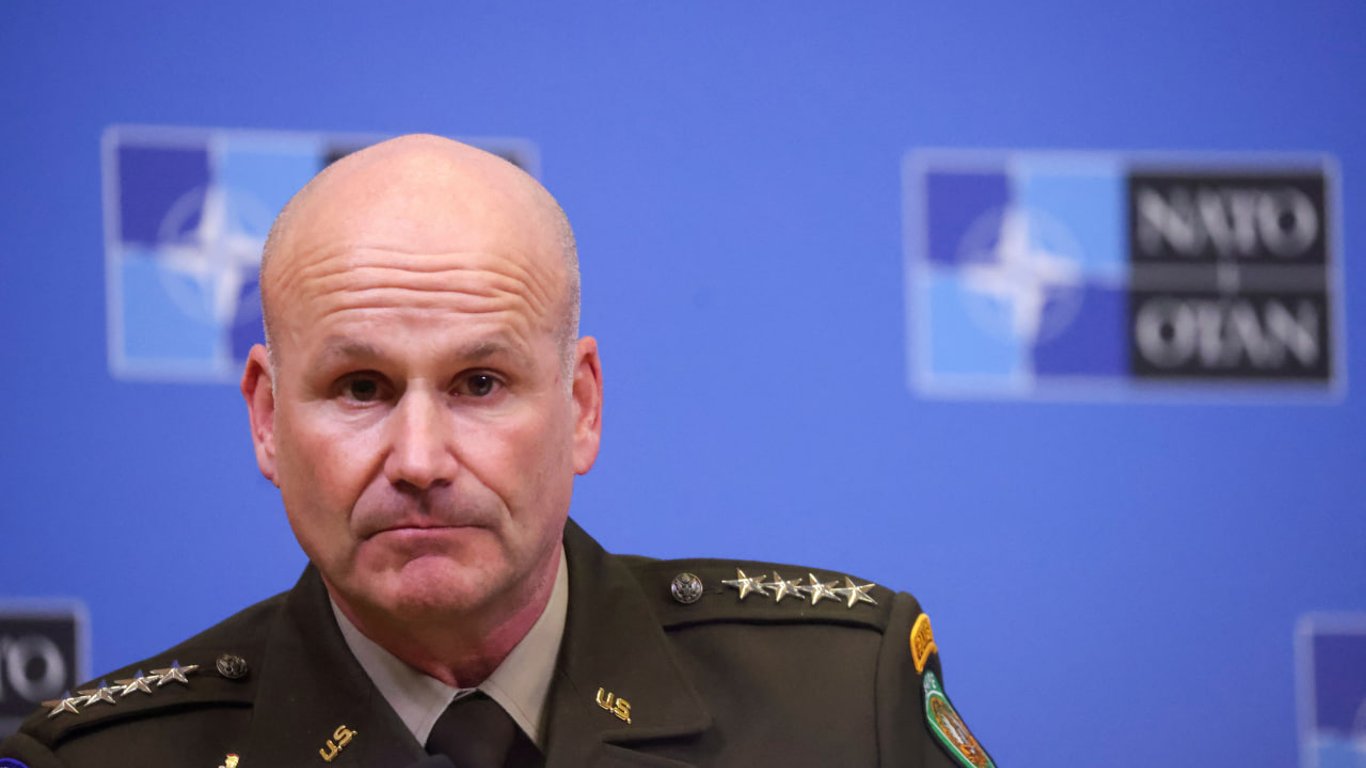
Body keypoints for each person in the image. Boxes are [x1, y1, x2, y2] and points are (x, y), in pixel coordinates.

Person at [0, 135, 992, 768]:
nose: (419, 458)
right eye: (360, 388)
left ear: (582, 406)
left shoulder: (840, 704)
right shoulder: (102, 760)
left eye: (479, 384)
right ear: (266, 417)